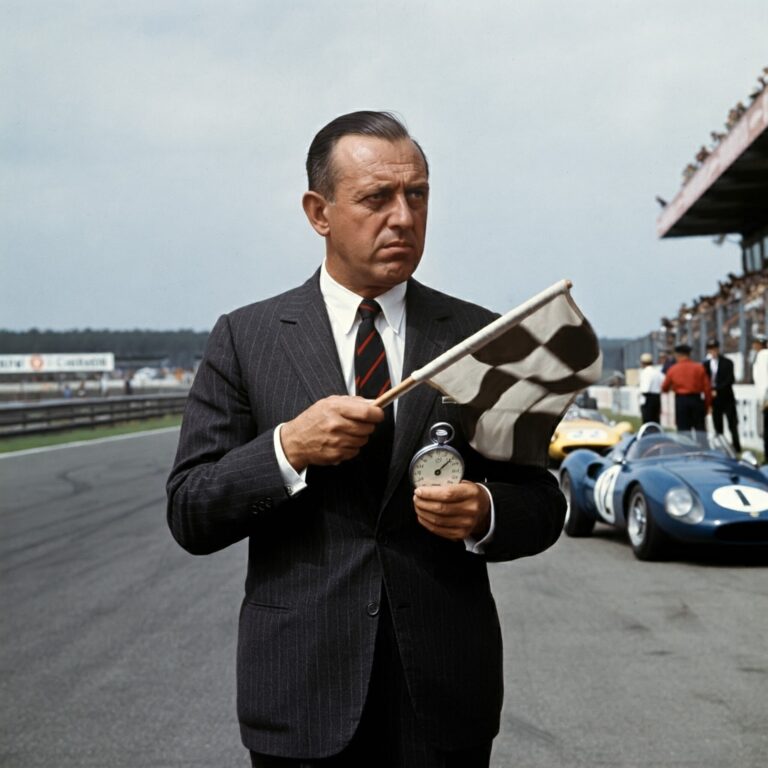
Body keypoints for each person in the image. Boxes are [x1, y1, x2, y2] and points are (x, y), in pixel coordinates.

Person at [166, 111, 566, 768]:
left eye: (418, 195)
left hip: (444, 695)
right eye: (377, 198)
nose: (404, 218)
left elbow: (543, 504)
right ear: (318, 212)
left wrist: (485, 510)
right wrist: (287, 449)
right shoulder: (246, 338)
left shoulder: (484, 338)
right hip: (300, 696)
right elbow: (190, 510)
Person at [661, 342, 712, 432]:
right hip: (696, 400)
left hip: (681, 401)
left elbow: (664, 387)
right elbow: (707, 388)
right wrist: (708, 405)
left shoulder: (673, 369)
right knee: (700, 431)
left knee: (683, 431)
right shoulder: (699, 367)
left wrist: (673, 388)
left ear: (678, 355)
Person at [703, 338, 741, 452]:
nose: (713, 351)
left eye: (715, 348)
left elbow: (730, 379)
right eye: (710, 349)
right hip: (714, 400)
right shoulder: (706, 364)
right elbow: (705, 380)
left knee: (732, 424)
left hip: (727, 397)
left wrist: (717, 389)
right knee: (717, 424)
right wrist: (710, 392)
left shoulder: (728, 362)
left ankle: (736, 447)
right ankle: (721, 446)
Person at [752, 335, 768, 458]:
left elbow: (764, 380)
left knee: (766, 430)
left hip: (766, 399)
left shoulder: (763, 355)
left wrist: (765, 399)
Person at [638, 352, 663, 424]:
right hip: (657, 398)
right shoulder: (657, 372)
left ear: (642, 363)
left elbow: (645, 389)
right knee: (656, 420)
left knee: (647, 421)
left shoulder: (645, 372)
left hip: (647, 398)